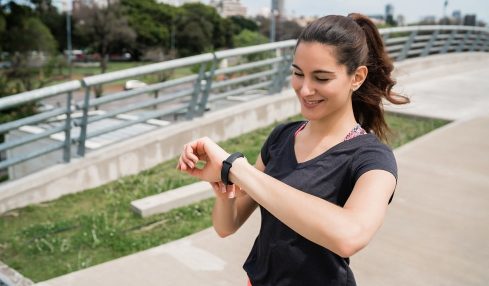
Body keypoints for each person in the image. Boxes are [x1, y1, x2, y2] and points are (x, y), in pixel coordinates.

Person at [177, 13, 409, 286]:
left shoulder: (372, 158)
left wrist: (236, 168)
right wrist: (223, 185)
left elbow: (350, 236)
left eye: (321, 78)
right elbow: (226, 226)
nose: (305, 89)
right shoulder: (282, 137)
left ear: (356, 77)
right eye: (298, 73)